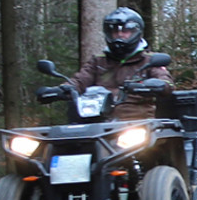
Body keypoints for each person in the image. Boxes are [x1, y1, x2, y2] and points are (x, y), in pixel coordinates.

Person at [38, 6, 172, 121]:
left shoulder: (150, 60)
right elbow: (79, 81)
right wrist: (61, 90)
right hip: (97, 122)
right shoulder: (99, 60)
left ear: (136, 32)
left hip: (138, 124)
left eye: (125, 31)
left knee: (152, 149)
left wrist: (154, 85)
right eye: (115, 31)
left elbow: (166, 83)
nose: (120, 35)